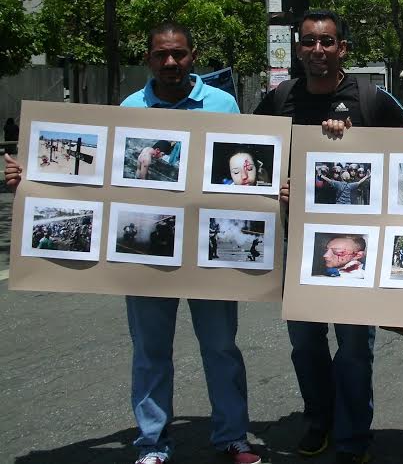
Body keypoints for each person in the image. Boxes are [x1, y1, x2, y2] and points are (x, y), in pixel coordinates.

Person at [4, 23, 260, 464]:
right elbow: (100, 175)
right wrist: (31, 178)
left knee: (220, 348)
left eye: (179, 54)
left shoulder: (223, 104)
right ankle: (153, 442)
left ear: (192, 55)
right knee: (150, 352)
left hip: (206, 251)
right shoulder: (130, 107)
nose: (171, 63)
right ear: (149, 58)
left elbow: (241, 165)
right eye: (162, 55)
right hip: (146, 248)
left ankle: (232, 436)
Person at [254, 9, 403, 464]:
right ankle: (318, 419)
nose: (318, 51)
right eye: (309, 43)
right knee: (305, 345)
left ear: (343, 48)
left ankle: (353, 437)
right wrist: (275, 184)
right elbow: (252, 152)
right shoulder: (280, 97)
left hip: (356, 249)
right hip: (299, 247)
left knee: (354, 347)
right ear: (297, 49)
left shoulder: (370, 97)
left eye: (327, 42)